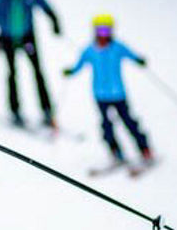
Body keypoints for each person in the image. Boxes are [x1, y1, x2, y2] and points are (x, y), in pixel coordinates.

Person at [64, 14, 153, 164]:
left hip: (118, 94)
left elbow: (131, 55)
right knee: (106, 125)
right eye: (100, 31)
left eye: (106, 30)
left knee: (129, 122)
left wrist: (139, 60)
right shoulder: (89, 50)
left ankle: (144, 149)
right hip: (100, 95)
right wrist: (70, 72)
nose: (103, 34)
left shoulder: (118, 47)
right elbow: (79, 65)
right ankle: (115, 151)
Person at [0, 0, 61, 129]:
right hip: (7, 38)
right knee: (12, 73)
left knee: (38, 72)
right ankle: (15, 110)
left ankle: (47, 110)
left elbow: (47, 9)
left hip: (28, 37)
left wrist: (55, 24)